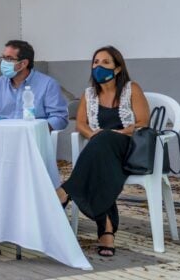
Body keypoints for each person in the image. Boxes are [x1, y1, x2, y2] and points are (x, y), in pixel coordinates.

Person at [56, 46, 149, 257]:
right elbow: (81, 124)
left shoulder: (131, 89)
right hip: (102, 151)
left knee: (104, 138)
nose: (98, 66)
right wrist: (93, 135)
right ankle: (106, 229)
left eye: (105, 62)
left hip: (128, 147)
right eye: (96, 62)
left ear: (117, 69)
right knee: (100, 154)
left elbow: (143, 122)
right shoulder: (89, 94)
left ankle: (66, 191)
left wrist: (114, 133)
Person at [0, 40, 68, 130]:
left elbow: (60, 118)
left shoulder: (48, 84)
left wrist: (36, 130)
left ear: (23, 63)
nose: (3, 62)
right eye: (3, 57)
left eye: (8, 59)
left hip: (32, 139)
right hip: (1, 137)